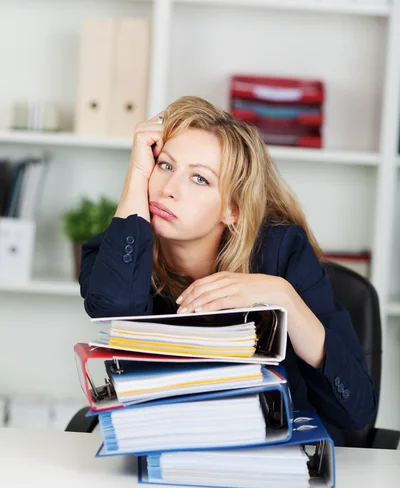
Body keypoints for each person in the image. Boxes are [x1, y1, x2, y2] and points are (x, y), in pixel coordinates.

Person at [80, 95, 377, 445]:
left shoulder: (282, 252)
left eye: (200, 179)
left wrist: (285, 297)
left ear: (232, 210)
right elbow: (113, 307)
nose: (168, 190)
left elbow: (356, 410)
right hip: (169, 448)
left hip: (272, 453)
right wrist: (137, 175)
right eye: (165, 166)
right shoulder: (115, 250)